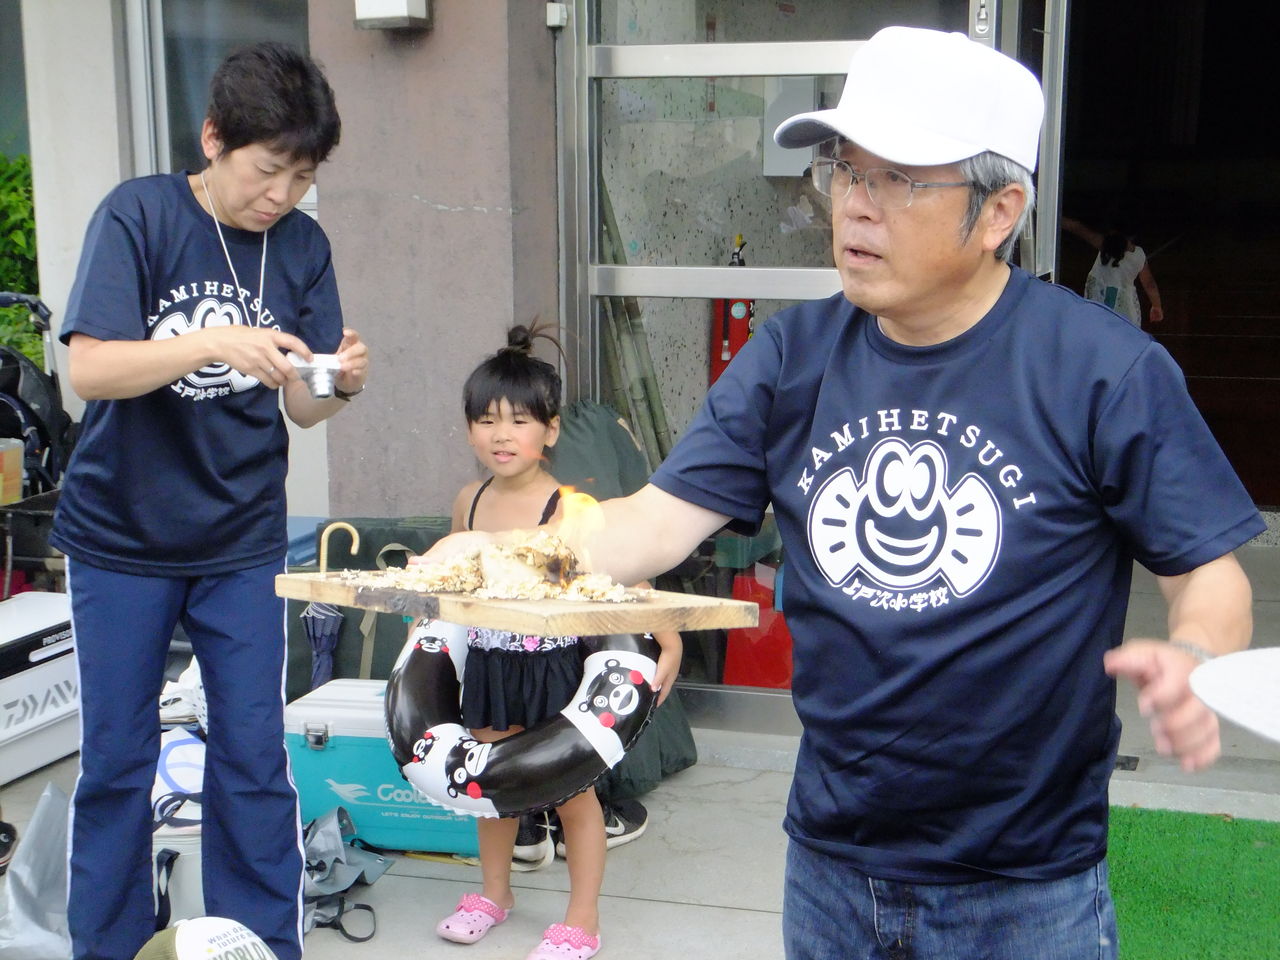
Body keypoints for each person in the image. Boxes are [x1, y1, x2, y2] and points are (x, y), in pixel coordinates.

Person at [415, 26, 1263, 960]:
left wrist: (1193, 653)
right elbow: (649, 527)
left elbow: (1209, 573)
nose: (854, 209)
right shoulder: (792, 358)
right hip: (832, 863)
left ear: (999, 211)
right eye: (846, 173)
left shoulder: (1102, 370)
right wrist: (497, 553)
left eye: (897, 181)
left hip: (1025, 884)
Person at [49, 42, 367, 960]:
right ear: (214, 139)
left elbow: (303, 408)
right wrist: (215, 342)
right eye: (269, 171)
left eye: (300, 178)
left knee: (252, 757)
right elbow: (92, 368)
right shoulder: (140, 215)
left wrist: (337, 378)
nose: (281, 196)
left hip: (238, 538)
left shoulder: (303, 245)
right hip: (120, 537)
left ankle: (258, 943)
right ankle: (106, 946)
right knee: (116, 762)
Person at [430, 324, 681, 960]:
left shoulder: (569, 507)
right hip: (490, 661)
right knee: (490, 783)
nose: (501, 434)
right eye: (486, 420)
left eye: (518, 420)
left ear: (551, 430)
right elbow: (456, 578)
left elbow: (630, 576)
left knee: (573, 794)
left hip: (557, 668)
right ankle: (494, 893)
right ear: (468, 431)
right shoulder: (471, 498)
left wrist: (669, 638)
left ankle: (582, 917)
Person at [1062, 215, 1165, 327]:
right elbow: (1149, 284)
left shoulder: (1104, 244)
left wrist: (1055, 218)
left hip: (1099, 297)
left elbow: (1077, 227)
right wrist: (1156, 306)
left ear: (1112, 230)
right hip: (1124, 304)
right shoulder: (1139, 255)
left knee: (1098, 329)